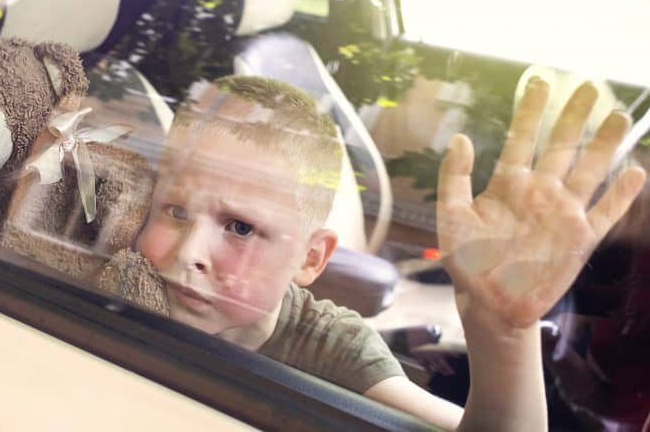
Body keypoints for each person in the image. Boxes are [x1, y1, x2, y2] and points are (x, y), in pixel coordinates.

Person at [135, 74, 646, 431]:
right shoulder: (113, 273)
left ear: (313, 259)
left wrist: (503, 333)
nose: (189, 253)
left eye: (241, 227)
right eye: (175, 210)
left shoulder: (332, 350)